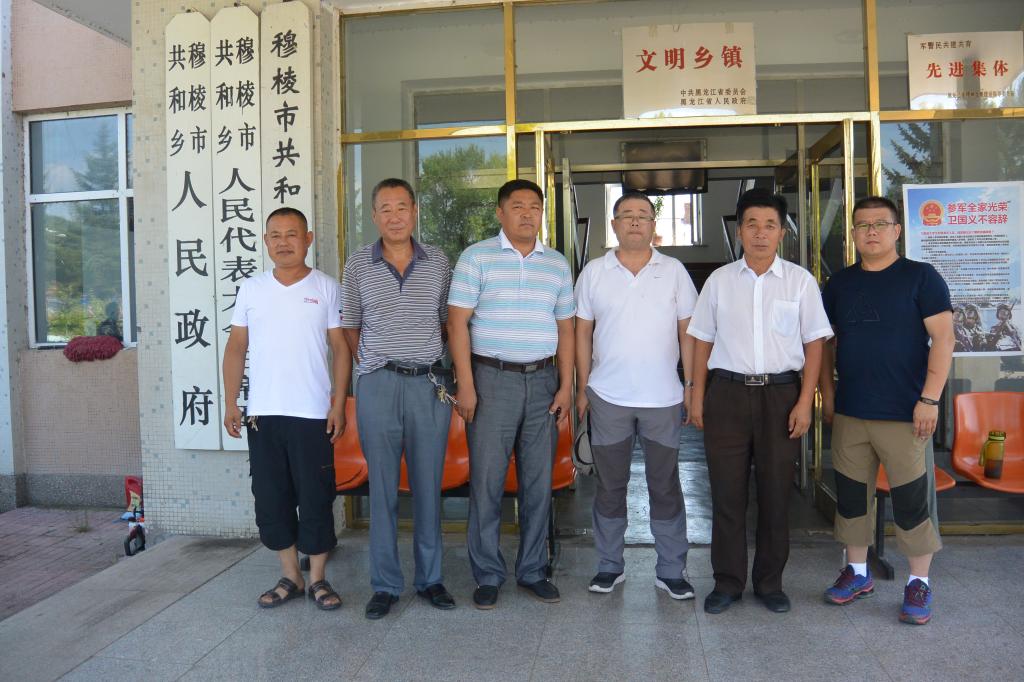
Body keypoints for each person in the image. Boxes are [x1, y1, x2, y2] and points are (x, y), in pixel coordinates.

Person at [688, 188, 832, 615]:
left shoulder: (800, 282)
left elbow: (814, 344)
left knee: (775, 494)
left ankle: (770, 583)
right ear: (739, 231)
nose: (760, 233)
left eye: (770, 225)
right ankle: (728, 582)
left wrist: (806, 402)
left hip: (781, 395)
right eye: (752, 224)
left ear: (782, 233)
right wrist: (696, 395)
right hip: (727, 394)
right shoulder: (719, 281)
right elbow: (701, 340)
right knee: (726, 494)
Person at [819, 195, 954, 625]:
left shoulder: (921, 277)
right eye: (862, 225)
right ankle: (858, 572)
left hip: (906, 413)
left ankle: (919, 582)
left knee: (912, 501)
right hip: (852, 412)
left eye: (880, 223)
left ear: (897, 230)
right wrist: (827, 395)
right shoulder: (839, 284)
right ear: (853, 234)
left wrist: (930, 399)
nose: (871, 231)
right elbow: (824, 344)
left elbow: (944, 339)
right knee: (851, 499)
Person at [447, 178, 575, 610]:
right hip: (491, 381)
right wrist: (466, 384)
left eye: (534, 207)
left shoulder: (556, 264)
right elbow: (457, 323)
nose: (527, 214)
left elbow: (566, 328)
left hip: (542, 382)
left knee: (538, 482)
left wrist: (567, 385)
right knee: (486, 482)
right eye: (517, 206)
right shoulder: (477, 257)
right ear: (500, 213)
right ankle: (487, 573)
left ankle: (533, 570)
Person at [223, 206, 349, 611]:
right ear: (265, 241)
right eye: (274, 235)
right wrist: (231, 401)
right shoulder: (251, 289)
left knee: (315, 497)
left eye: (291, 234)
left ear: (307, 239)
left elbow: (341, 348)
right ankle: (290, 575)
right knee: (271, 497)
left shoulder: (327, 287)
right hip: (263, 414)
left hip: (312, 414)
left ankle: (319, 579)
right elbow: (236, 347)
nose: (283, 242)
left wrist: (338, 403)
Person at [341, 178, 456, 620]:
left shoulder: (438, 262)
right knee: (383, 488)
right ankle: (386, 584)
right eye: (385, 209)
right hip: (378, 385)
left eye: (402, 207)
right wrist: (372, 366)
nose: (394, 216)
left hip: (428, 385)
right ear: (374, 216)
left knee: (428, 485)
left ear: (415, 212)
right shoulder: (358, 264)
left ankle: (431, 579)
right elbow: (350, 325)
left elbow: (447, 322)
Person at [574, 191, 698, 599]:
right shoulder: (594, 272)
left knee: (665, 486)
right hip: (608, 397)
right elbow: (582, 332)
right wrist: (583, 387)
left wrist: (691, 386)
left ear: (653, 225)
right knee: (610, 486)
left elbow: (688, 331)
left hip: (663, 398)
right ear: (613, 224)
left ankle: (671, 569)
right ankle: (609, 566)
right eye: (626, 215)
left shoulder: (673, 270)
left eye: (643, 215)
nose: (634, 221)